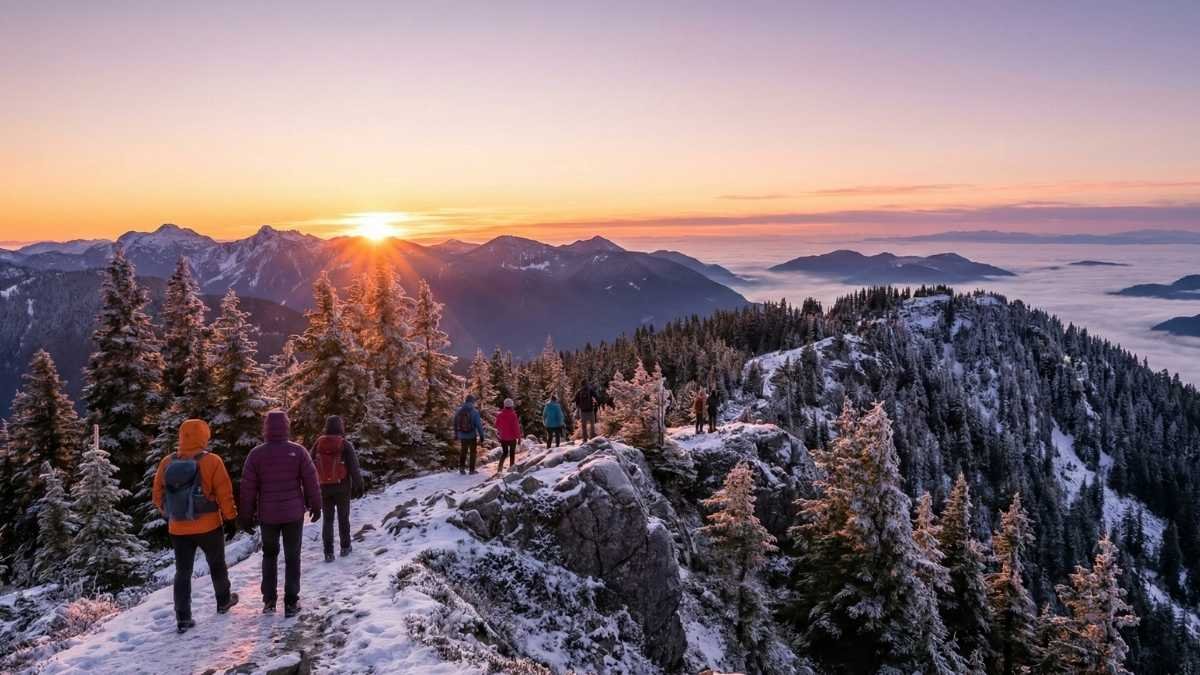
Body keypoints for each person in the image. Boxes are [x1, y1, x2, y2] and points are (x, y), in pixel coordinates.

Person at [153, 419, 239, 634]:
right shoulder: (212, 461)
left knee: (183, 572)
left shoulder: (167, 462)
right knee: (217, 564)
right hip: (209, 525)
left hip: (178, 529)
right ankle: (223, 601)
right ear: (204, 436)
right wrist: (230, 518)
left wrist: (171, 514)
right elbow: (224, 493)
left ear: (181, 436)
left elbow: (157, 495)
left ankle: (183, 618)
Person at [239, 411, 321, 618]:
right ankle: (291, 602)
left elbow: (248, 488)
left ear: (266, 428)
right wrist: (316, 505)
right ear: (286, 427)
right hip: (293, 514)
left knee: (269, 556)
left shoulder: (256, 455)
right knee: (293, 556)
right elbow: (311, 481)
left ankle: (269, 601)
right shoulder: (298, 451)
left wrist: (246, 516)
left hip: (268, 516)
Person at [310, 415, 364, 563]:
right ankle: (345, 547)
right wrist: (359, 485)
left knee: (327, 520)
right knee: (343, 518)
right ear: (340, 426)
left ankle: (328, 553)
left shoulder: (318, 443)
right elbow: (354, 467)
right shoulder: (345, 444)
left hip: (324, 488)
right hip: (342, 487)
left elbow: (309, 463)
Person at [453, 394, 486, 474]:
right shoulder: (474, 412)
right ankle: (471, 470)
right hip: (472, 435)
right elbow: (478, 425)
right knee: (472, 452)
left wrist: (456, 433)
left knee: (463, 451)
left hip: (462, 435)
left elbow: (455, 423)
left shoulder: (459, 410)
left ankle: (461, 468)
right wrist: (482, 436)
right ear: (472, 401)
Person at [494, 398, 522, 473]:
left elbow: (496, 425)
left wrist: (501, 431)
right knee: (512, 453)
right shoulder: (513, 415)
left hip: (503, 438)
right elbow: (516, 427)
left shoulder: (500, 415)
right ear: (511, 405)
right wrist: (519, 437)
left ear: (504, 405)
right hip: (512, 438)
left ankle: (499, 468)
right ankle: (511, 469)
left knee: (505, 453)